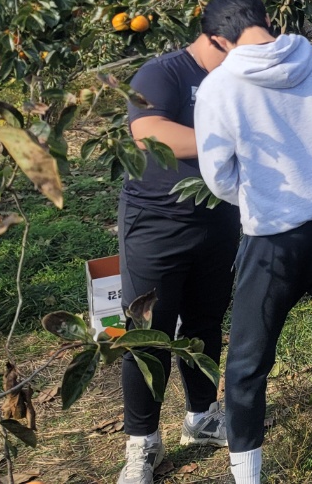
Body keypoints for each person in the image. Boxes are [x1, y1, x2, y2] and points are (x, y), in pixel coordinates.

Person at [193, 0, 312, 484]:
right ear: (270, 20)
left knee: (248, 360)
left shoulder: (219, 88)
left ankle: (248, 477)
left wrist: (260, 197)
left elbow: (217, 176)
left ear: (218, 39)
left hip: (274, 237)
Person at [115, 27, 239, 484]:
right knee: (149, 331)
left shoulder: (237, 77)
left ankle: (202, 418)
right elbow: (150, 133)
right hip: (156, 223)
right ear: (218, 37)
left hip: (217, 218)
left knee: (205, 322)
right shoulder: (161, 73)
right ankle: (142, 442)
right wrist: (232, 139)